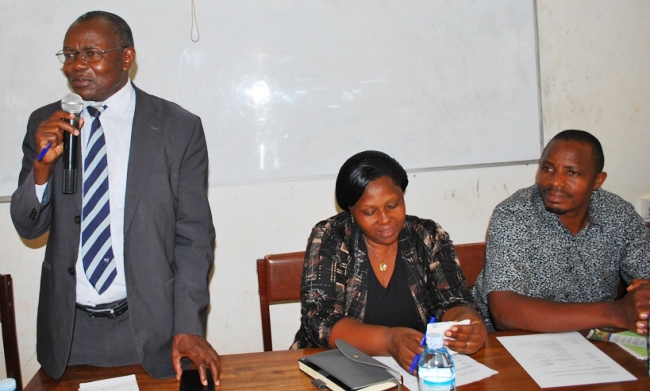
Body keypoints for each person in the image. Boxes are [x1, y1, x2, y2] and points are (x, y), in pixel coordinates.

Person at [10, 11, 220, 386]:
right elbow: (29, 226)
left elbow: (194, 237)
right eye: (69, 55)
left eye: (91, 53)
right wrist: (42, 167)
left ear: (126, 58)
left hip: (152, 328)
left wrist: (188, 324)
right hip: (69, 332)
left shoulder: (177, 127)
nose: (77, 66)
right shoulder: (47, 122)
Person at [291, 150, 487, 372]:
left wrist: (466, 324)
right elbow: (320, 321)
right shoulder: (332, 236)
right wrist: (388, 340)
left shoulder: (427, 236)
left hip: (415, 370)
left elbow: (453, 300)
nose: (385, 220)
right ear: (351, 211)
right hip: (338, 369)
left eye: (393, 205)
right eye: (369, 211)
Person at [473, 130, 650, 334]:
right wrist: (617, 312)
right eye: (547, 168)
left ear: (598, 181)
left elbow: (645, 279)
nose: (555, 182)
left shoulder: (619, 214)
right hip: (515, 340)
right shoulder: (515, 214)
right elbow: (505, 312)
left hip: (592, 339)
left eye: (572, 173)